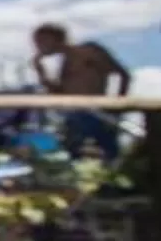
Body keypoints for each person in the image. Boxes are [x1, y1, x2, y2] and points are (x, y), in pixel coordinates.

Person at [31, 23, 131, 161]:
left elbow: (122, 74)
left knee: (109, 152)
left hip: (97, 112)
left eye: (41, 41)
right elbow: (60, 94)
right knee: (68, 150)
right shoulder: (64, 64)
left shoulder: (89, 51)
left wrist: (117, 105)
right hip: (73, 115)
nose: (37, 46)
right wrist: (41, 72)